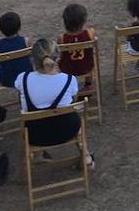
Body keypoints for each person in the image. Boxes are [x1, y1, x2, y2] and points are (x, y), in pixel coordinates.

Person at [15, 38, 94, 169]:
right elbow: (72, 101)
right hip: (67, 130)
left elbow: (21, 98)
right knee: (74, 115)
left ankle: (37, 155)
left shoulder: (23, 79)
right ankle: (86, 157)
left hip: (35, 135)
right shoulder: (69, 80)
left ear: (33, 59)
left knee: (29, 110)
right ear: (58, 58)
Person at [58, 3, 97, 87]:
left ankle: (68, 85)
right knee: (89, 57)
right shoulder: (91, 33)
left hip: (68, 69)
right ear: (83, 21)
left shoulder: (62, 38)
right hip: (87, 66)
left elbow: (60, 55)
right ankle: (88, 84)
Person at [0, 12, 31, 87]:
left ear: (0, 29)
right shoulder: (26, 41)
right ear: (19, 27)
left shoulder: (0, 44)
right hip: (25, 77)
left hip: (7, 80)